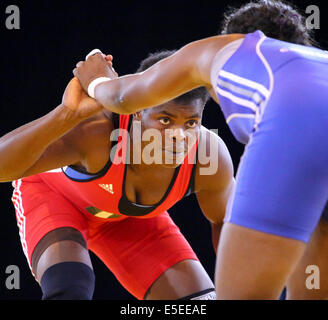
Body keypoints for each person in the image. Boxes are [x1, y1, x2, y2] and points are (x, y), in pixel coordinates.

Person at [73, 0, 328, 299]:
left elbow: (124, 98)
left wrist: (97, 79)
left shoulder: (222, 49)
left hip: (298, 129)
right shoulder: (317, 60)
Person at [0, 50, 234, 300]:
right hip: (56, 198)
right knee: (70, 289)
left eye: (191, 123)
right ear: (137, 110)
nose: (179, 136)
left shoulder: (209, 156)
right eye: (165, 120)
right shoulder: (97, 132)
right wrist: (67, 114)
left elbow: (226, 224)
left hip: (128, 219)